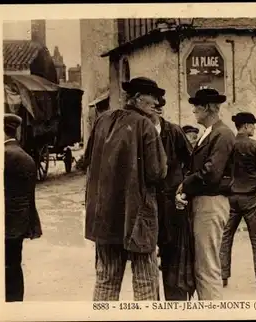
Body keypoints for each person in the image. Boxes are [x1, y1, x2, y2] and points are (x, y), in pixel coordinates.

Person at [84, 77, 168, 301]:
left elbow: (87, 161)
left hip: (104, 217)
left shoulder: (102, 121)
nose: (157, 102)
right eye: (153, 97)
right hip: (137, 217)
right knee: (145, 284)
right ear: (139, 98)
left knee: (106, 281)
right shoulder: (146, 126)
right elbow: (157, 173)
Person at [176, 88, 235, 300]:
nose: (193, 110)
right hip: (203, 202)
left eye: (197, 106)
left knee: (207, 268)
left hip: (211, 203)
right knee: (202, 266)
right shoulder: (210, 133)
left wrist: (184, 185)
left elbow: (211, 173)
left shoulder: (223, 134)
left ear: (208, 108)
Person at [219, 112, 256, 289]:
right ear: (245, 126)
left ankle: (222, 276)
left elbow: (221, 171)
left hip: (231, 197)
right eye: (252, 125)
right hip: (250, 197)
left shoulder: (228, 145)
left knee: (226, 236)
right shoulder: (255, 146)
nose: (254, 128)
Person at [149, 93, 196, 301]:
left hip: (171, 202)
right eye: (153, 108)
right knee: (147, 257)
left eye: (159, 109)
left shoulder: (174, 132)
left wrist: (183, 187)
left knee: (173, 254)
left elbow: (191, 163)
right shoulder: (140, 132)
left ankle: (174, 303)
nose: (156, 112)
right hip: (147, 202)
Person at [4, 113, 43, 302]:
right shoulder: (24, 156)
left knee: (6, 271)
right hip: (17, 225)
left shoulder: (4, 155)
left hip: (5, 225)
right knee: (13, 268)